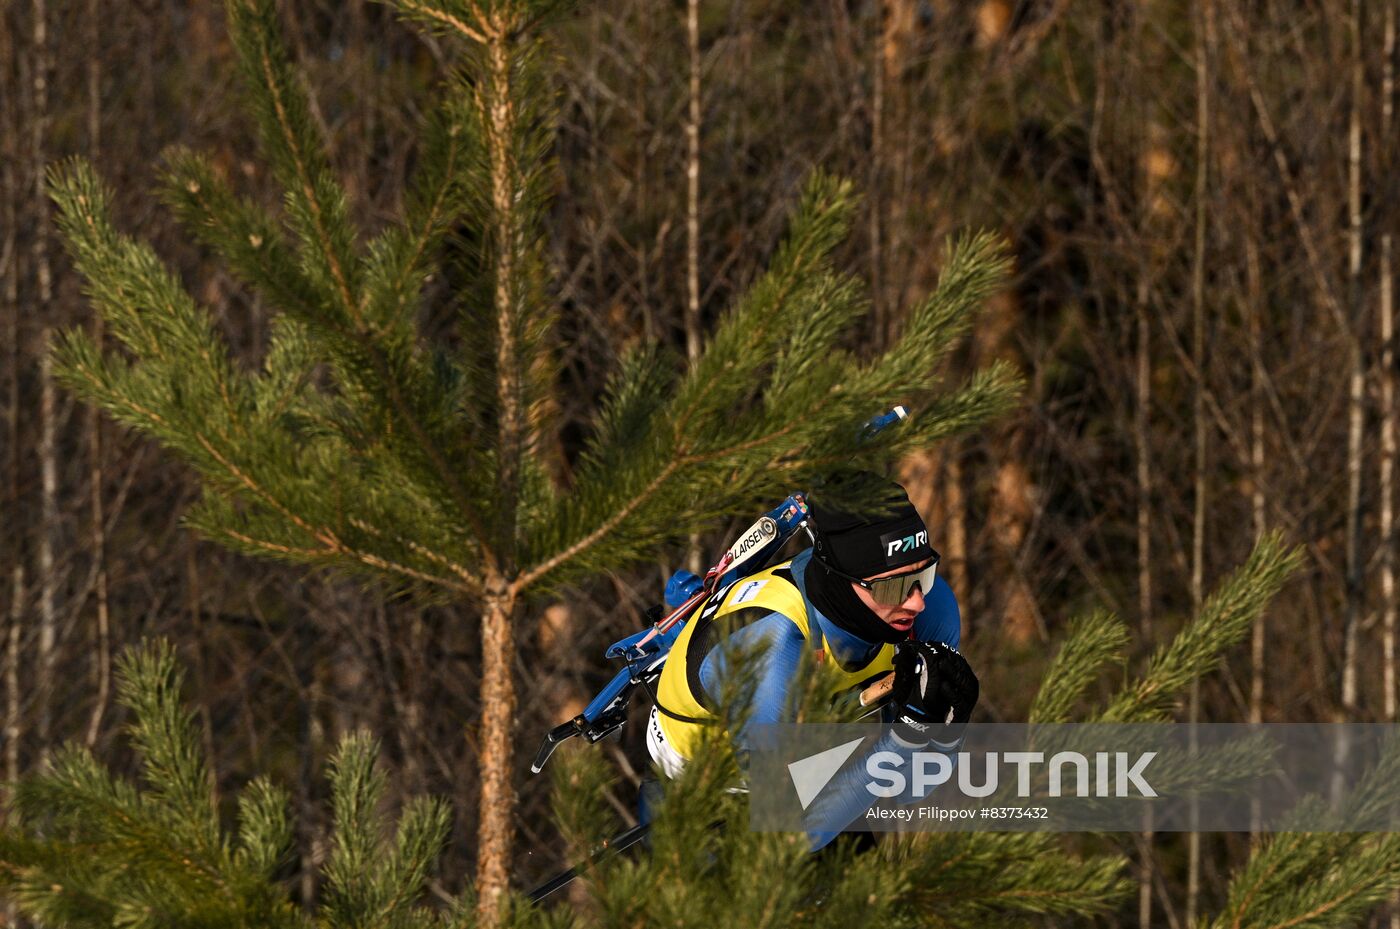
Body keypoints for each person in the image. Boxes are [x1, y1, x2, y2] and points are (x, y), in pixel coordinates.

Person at [643, 470, 980, 845]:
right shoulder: (774, 654)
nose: (916, 600)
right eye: (895, 586)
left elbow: (913, 790)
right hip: (707, 775)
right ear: (842, 581)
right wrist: (900, 743)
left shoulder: (930, 608)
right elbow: (788, 840)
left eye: (924, 575)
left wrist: (948, 729)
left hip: (804, 743)